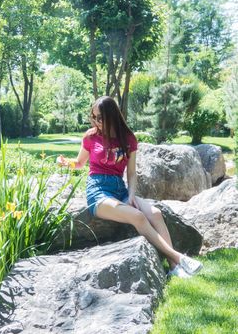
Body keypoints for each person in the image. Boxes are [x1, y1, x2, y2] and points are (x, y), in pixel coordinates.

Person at [57, 96, 202, 278]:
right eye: (93, 117)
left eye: (100, 117)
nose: (96, 121)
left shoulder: (128, 139)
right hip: (98, 191)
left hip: (120, 189)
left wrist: (132, 194)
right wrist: (65, 163)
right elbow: (79, 163)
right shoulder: (91, 136)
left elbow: (132, 173)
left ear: (112, 116)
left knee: (155, 214)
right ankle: (179, 258)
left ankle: (173, 267)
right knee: (138, 217)